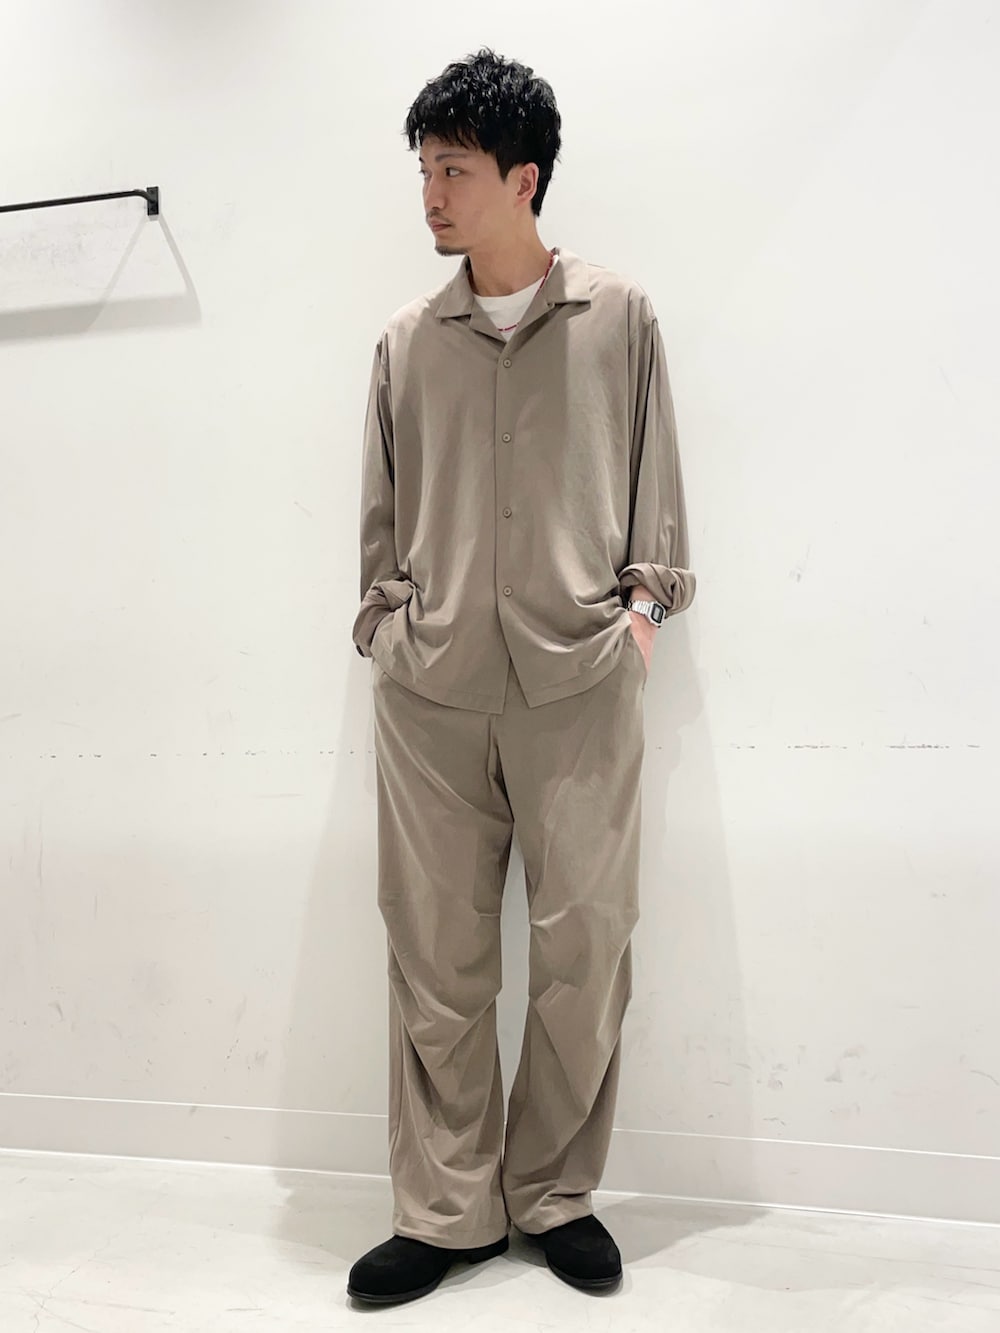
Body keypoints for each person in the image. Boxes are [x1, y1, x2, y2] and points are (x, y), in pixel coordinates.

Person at [347, 47, 696, 1306]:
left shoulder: (620, 319)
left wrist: (639, 616)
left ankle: (553, 1194)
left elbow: (657, 491)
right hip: (432, 696)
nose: (430, 196)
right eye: (423, 171)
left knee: (583, 950)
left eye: (452, 170)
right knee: (436, 958)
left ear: (523, 179)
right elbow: (380, 526)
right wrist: (389, 630)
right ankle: (446, 1210)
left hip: (581, 686)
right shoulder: (406, 343)